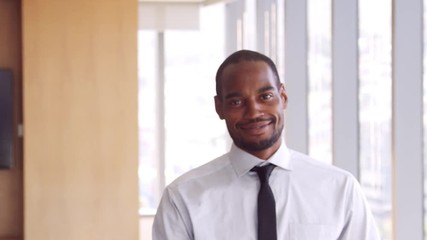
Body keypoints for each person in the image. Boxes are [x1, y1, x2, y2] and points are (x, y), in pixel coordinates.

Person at [152, 49, 381, 239]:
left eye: (266, 97)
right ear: (219, 107)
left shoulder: (339, 189)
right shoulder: (183, 198)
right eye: (237, 101)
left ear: (283, 97)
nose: (254, 112)